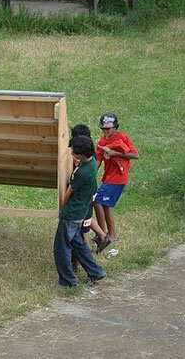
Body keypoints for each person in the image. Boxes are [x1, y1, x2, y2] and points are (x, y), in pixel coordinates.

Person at [54, 135, 106, 288]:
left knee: (61, 247)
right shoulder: (92, 163)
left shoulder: (82, 174)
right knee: (78, 243)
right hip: (82, 212)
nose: (72, 154)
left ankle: (68, 281)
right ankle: (96, 272)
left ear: (81, 154)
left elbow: (69, 191)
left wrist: (62, 209)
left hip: (72, 214)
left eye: (74, 152)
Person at [94, 113, 139, 241]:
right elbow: (98, 160)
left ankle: (104, 234)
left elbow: (135, 155)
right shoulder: (102, 142)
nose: (105, 132)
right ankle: (108, 235)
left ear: (115, 127)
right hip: (108, 177)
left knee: (97, 200)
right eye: (103, 129)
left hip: (118, 177)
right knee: (106, 205)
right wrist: (92, 175)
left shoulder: (123, 138)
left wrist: (115, 153)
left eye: (108, 129)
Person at [70, 124, 111, 255]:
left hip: (85, 194)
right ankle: (102, 236)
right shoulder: (89, 152)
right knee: (87, 219)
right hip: (91, 192)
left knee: (84, 226)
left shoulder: (83, 157)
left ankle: (87, 250)